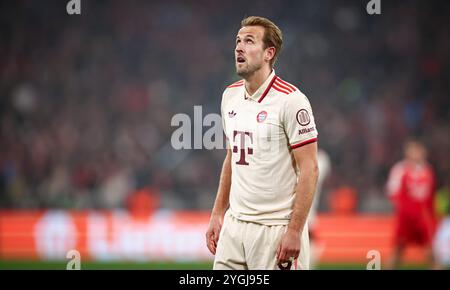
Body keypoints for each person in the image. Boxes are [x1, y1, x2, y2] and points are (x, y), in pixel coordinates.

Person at [205, 16, 319, 270]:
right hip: (234, 228)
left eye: (249, 41)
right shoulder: (230, 96)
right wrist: (217, 213)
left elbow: (310, 169)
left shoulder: (292, 101)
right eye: (237, 41)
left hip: (275, 230)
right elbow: (232, 158)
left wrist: (295, 230)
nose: (238, 47)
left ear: (269, 53)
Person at [386, 139, 437, 269]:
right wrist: (403, 207)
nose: (418, 154)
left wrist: (432, 216)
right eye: (414, 151)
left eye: (419, 151)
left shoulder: (427, 170)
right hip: (406, 216)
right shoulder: (400, 169)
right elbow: (392, 191)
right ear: (407, 153)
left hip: (421, 217)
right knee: (397, 252)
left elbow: (430, 195)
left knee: (430, 252)